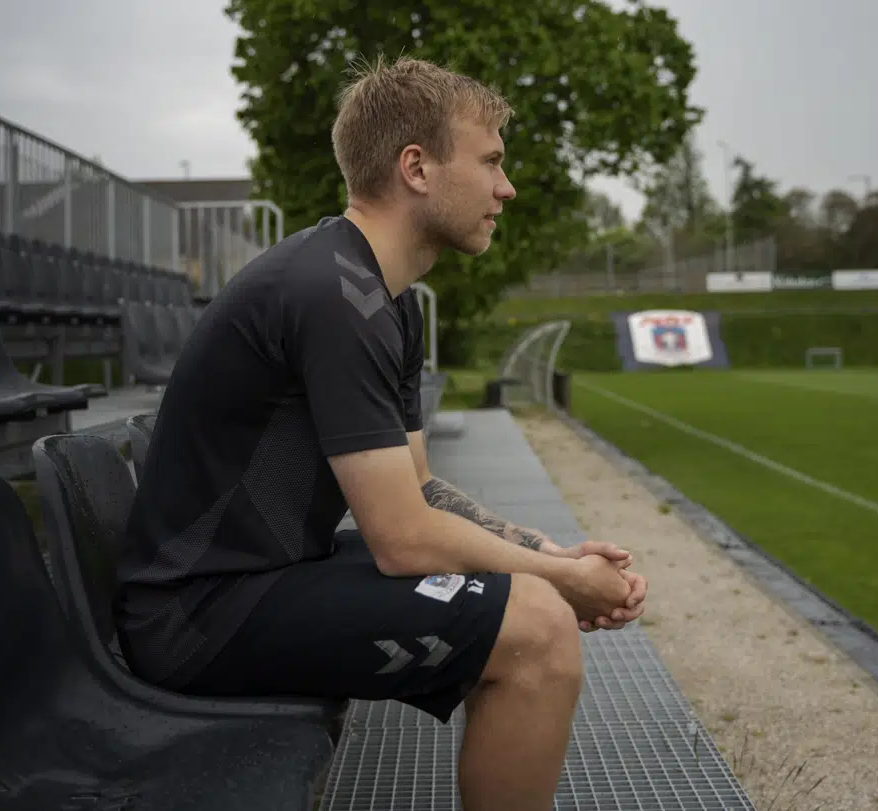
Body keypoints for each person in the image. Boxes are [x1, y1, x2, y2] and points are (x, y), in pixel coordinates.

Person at [114, 54, 648, 811]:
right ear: (416, 168)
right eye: (491, 160)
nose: (507, 186)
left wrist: (545, 553)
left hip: (261, 578)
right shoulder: (334, 294)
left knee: (530, 593)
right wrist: (565, 583)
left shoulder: (385, 299)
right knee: (538, 629)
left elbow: (420, 489)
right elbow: (403, 539)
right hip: (197, 614)